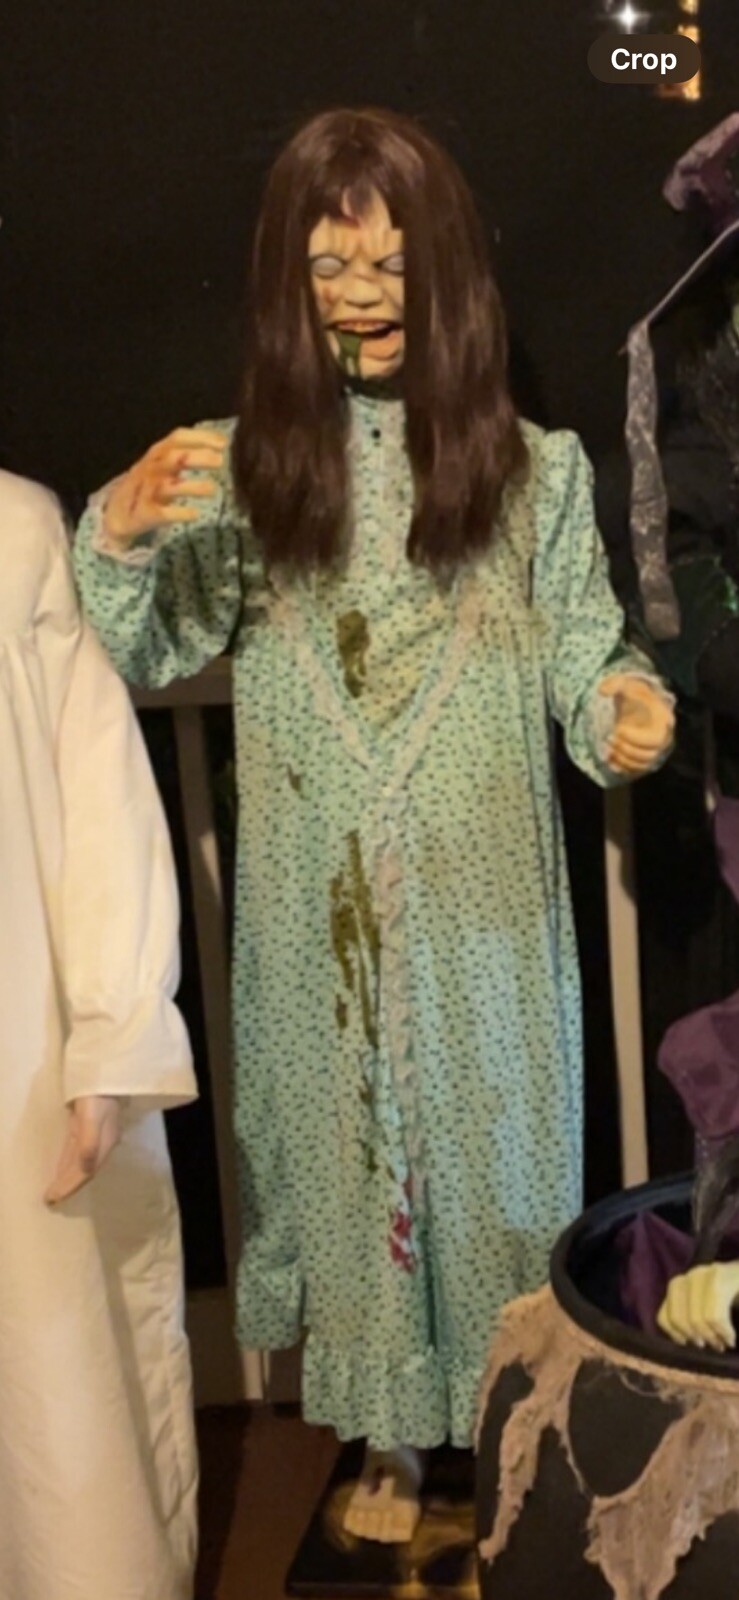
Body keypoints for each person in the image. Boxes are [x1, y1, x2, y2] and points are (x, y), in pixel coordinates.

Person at [73, 107, 674, 1544]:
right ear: (286, 282)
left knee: (493, 1152)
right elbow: (153, 647)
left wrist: (619, 706)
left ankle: (511, 1424)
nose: (359, 295)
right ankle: (386, 1443)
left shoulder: (531, 473)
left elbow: (584, 653)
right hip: (312, 909)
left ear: (445, 273)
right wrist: (118, 532)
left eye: (390, 266)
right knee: (344, 1161)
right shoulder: (243, 469)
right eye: (328, 268)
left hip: (482, 913)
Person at [1, 466, 198, 1599]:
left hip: (21, 1047)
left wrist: (114, 1039)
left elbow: (100, 796)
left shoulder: (16, 532)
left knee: (56, 1378)